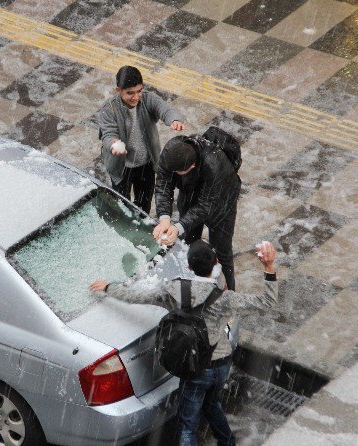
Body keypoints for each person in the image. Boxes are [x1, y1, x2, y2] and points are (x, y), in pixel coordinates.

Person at [89, 239, 279, 446]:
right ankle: (227, 442)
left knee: (187, 425)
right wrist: (269, 267)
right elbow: (267, 303)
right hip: (221, 366)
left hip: (195, 368)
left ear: (189, 266)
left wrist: (108, 287)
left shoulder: (175, 289)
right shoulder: (226, 298)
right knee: (212, 404)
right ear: (215, 263)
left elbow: (137, 296)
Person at [152, 136, 241, 290]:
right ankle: (193, 287)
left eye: (178, 172)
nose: (173, 174)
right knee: (190, 244)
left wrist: (178, 227)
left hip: (222, 200)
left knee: (221, 251)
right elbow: (163, 185)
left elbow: (205, 206)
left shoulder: (214, 164)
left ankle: (228, 296)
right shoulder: (171, 153)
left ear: (192, 165)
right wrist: (165, 219)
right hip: (190, 191)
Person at [97, 65, 185, 214]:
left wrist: (173, 119)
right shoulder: (109, 108)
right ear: (118, 90)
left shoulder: (148, 99)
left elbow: (164, 109)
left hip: (146, 164)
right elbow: (107, 134)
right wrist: (114, 143)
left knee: (144, 205)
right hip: (121, 167)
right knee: (122, 206)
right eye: (130, 93)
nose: (136, 97)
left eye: (139, 91)